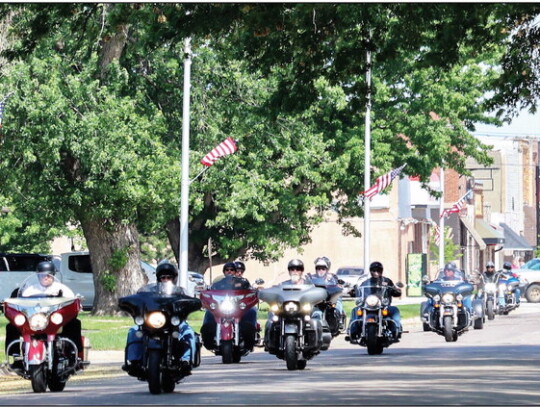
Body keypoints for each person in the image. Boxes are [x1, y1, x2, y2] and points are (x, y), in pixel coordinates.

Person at [123, 261, 198, 376]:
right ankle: (134, 362)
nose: (166, 280)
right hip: (154, 321)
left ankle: (185, 361)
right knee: (133, 331)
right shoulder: (149, 291)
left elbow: (189, 302)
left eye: (169, 277)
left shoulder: (180, 292)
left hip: (174, 322)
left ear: (174, 278)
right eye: (163, 277)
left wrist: (193, 303)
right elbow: (139, 299)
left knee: (189, 332)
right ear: (159, 278)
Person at [5, 261, 82, 362]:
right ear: (38, 276)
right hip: (33, 320)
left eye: (49, 275)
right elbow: (20, 303)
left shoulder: (62, 289)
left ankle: (73, 352)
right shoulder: (30, 290)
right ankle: (14, 353)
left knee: (74, 323)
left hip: (53, 321)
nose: (45, 277)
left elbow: (71, 303)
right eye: (42, 275)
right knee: (11, 326)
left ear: (53, 275)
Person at [200, 262, 257, 352]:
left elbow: (250, 292)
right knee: (209, 314)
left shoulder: (243, 283)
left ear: (235, 271)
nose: (229, 272)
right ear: (224, 272)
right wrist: (204, 294)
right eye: (227, 270)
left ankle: (250, 340)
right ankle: (208, 341)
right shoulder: (218, 284)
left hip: (238, 307)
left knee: (251, 312)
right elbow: (211, 292)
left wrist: (255, 292)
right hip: (222, 307)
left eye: (232, 270)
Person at [348, 261, 402, 340]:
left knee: (394, 310)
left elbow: (394, 289)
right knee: (355, 310)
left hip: (383, 305)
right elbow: (360, 290)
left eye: (378, 270)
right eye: (374, 270)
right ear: (371, 271)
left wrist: (396, 290)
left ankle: (396, 329)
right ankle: (352, 330)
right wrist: (353, 291)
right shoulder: (366, 282)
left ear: (381, 271)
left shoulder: (387, 281)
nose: (376, 272)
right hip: (368, 304)